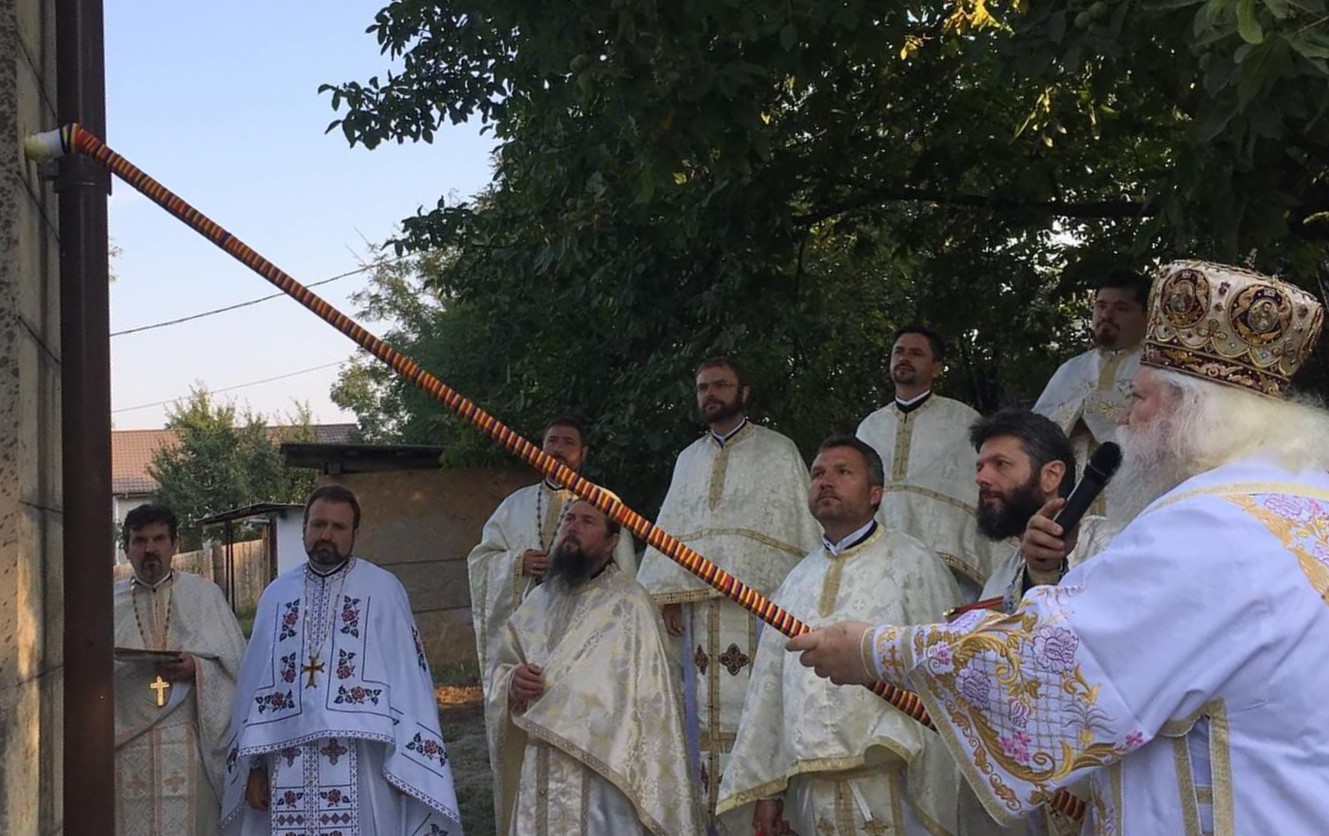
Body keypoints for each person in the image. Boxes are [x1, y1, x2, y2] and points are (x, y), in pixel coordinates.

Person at [791, 261, 1329, 832]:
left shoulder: (1212, 525)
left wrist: (874, 652)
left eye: (1139, 399)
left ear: (1193, 413)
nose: (1121, 419)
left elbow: (1049, 666)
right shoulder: (1300, 505)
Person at [717, 437, 961, 835]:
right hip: (814, 791)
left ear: (875, 493)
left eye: (843, 472)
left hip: (896, 782)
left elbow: (946, 674)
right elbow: (769, 690)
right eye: (817, 474)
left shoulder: (916, 564)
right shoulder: (795, 580)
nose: (826, 481)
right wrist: (768, 792)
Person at [635, 355, 821, 831]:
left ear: (744, 392)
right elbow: (669, 536)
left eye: (720, 385)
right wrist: (666, 594)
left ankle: (764, 811)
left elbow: (799, 537)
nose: (710, 394)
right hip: (698, 621)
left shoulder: (779, 451)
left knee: (759, 712)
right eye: (702, 387)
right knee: (698, 723)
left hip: (758, 615)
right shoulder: (687, 460)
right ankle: (709, 820)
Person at [221, 485, 463, 835]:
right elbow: (254, 690)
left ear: (355, 534)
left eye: (338, 528)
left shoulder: (383, 590)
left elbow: (410, 683)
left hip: (365, 760)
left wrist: (404, 766)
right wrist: (255, 766)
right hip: (286, 762)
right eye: (318, 525)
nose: (326, 535)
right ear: (304, 528)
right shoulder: (276, 596)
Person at [488, 496, 701, 835]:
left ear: (611, 543)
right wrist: (511, 682)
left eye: (588, 522)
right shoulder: (538, 600)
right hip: (541, 768)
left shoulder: (631, 603)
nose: (573, 527)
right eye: (569, 519)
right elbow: (501, 665)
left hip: (604, 773)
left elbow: (653, 704)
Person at [467, 418, 638, 716]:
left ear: (583, 452)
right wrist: (516, 563)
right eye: (551, 441)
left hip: (587, 632)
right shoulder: (513, 506)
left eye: (568, 443)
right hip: (529, 632)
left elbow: (624, 575)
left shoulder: (604, 502)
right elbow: (480, 562)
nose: (557, 449)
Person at [114, 503, 246, 835]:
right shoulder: (107, 604)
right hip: (128, 749)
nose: (150, 549)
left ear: (175, 545)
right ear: (127, 548)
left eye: (159, 539)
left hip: (193, 742)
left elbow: (237, 667)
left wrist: (198, 669)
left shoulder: (205, 596)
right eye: (139, 540)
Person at [857, 326, 1003, 601]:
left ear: (936, 368)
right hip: (877, 559)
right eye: (898, 352)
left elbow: (980, 487)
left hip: (946, 564)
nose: (904, 358)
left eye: (916, 353)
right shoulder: (869, 427)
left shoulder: (963, 421)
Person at [970, 409, 1116, 615]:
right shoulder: (1002, 574)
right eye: (979, 467)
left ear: (1051, 475)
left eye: (1000, 464)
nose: (981, 478)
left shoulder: (1107, 546)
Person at [1033, 269, 1150, 518]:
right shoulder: (1071, 369)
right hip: (1069, 493)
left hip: (1133, 497)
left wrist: (1091, 415)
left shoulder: (1157, 370)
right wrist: (1073, 419)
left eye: (1121, 308)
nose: (1107, 315)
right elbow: (1035, 431)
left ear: (1147, 316)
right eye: (1101, 306)